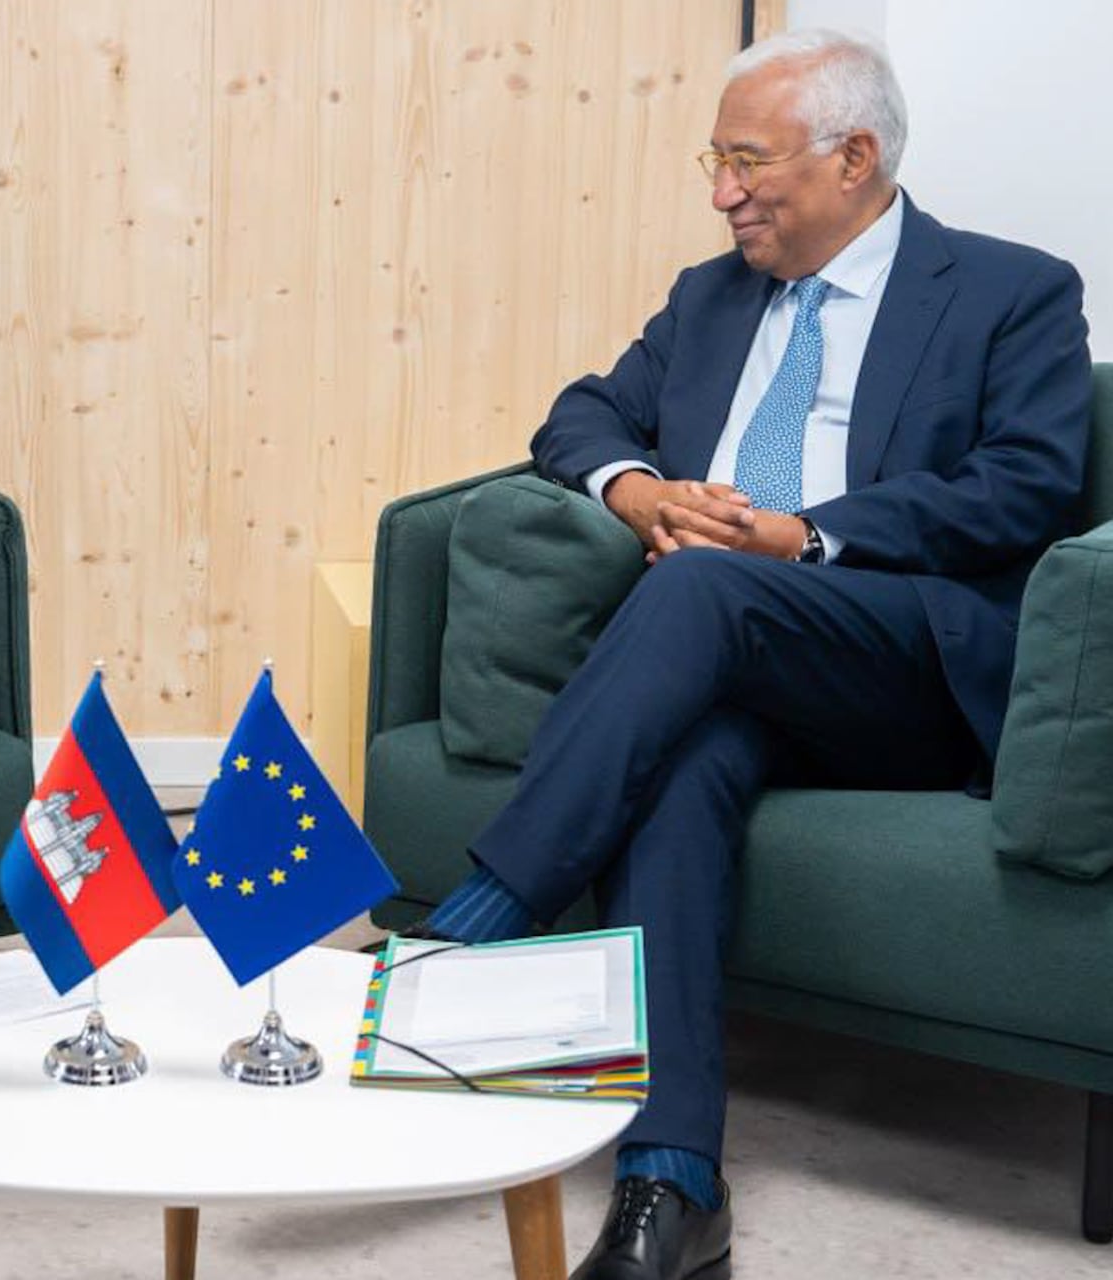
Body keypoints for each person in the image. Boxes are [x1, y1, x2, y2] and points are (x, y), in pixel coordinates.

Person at [413, 28, 1090, 1280]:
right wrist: (639, 494)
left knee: (713, 588)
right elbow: (583, 412)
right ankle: (672, 1186)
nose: (723, 192)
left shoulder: (1013, 290)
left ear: (853, 158)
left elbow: (1026, 487)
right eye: (713, 161)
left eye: (746, 161)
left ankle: (481, 926)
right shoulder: (710, 294)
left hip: (902, 658)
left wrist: (806, 532)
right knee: (684, 762)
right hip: (728, 656)